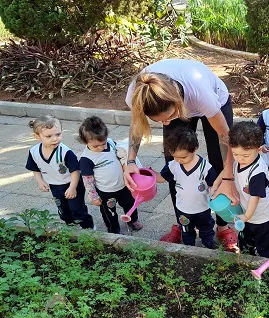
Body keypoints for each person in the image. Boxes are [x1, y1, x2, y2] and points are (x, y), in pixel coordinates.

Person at [123, 59, 238, 250]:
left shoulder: (200, 93)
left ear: (177, 101)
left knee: (219, 166)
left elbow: (225, 137)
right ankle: (183, 222)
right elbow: (136, 126)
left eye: (169, 118)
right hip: (178, 104)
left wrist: (228, 175)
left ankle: (223, 226)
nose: (167, 123)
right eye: (160, 122)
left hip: (213, 99)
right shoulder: (137, 94)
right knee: (173, 166)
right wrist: (131, 161)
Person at [215, 121, 269, 258]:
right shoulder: (241, 159)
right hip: (245, 212)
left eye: (245, 155)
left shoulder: (258, 173)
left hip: (261, 217)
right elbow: (227, 169)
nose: (240, 159)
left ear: (259, 149)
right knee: (245, 242)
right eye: (236, 154)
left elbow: (255, 197)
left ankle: (267, 264)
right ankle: (246, 259)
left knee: (264, 244)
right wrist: (216, 183)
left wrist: (246, 216)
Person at [153, 128, 221, 249]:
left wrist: (216, 195)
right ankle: (189, 245)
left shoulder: (205, 167)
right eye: (175, 157)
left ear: (194, 149)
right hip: (183, 208)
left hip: (202, 207)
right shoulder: (173, 166)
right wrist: (150, 174)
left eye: (183, 157)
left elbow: (213, 185)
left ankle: (208, 240)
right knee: (186, 229)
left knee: (206, 227)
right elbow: (161, 178)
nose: (179, 160)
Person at [25, 115, 94, 229]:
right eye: (49, 136)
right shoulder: (34, 151)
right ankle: (70, 227)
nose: (55, 138)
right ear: (37, 136)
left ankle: (89, 228)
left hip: (71, 184)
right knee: (63, 210)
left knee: (77, 210)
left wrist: (72, 188)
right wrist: (40, 181)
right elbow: (34, 168)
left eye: (58, 134)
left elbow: (75, 171)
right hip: (54, 186)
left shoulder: (65, 152)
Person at [78, 116, 143, 234]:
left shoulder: (111, 143)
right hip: (106, 191)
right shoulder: (86, 159)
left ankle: (132, 220)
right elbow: (87, 180)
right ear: (85, 142)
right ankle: (114, 229)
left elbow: (121, 155)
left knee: (130, 203)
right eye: (96, 146)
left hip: (123, 185)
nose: (101, 147)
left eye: (103, 143)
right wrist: (93, 196)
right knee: (109, 211)